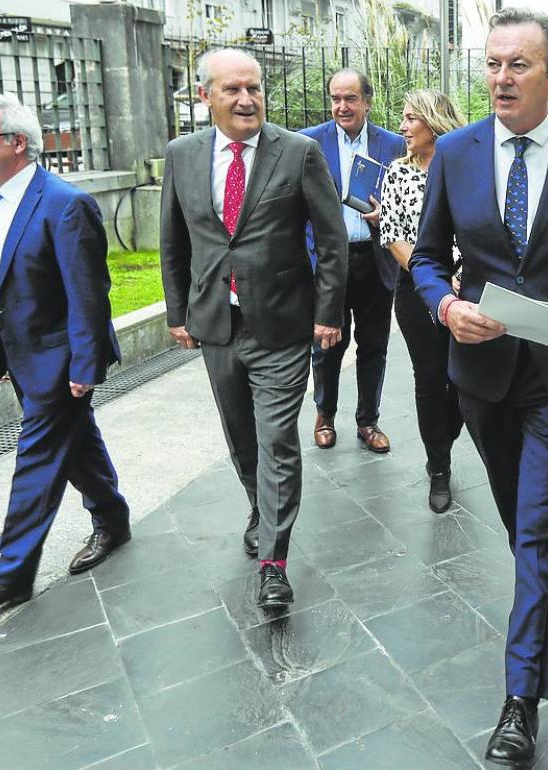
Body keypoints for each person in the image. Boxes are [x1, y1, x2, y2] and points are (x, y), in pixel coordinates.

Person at [407, 7, 548, 764]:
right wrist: (445, 304)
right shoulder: (458, 153)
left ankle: (518, 702)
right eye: (493, 64)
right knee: (523, 528)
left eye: (519, 65)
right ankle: (541, 612)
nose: (502, 78)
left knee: (537, 532)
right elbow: (429, 254)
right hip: (482, 377)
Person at [159, 49, 347, 608]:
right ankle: (259, 505)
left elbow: (332, 240)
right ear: (205, 96)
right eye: (233, 90)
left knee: (277, 441)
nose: (247, 100)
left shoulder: (298, 153)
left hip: (282, 325)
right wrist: (176, 312)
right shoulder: (182, 155)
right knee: (242, 438)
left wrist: (328, 312)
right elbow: (173, 241)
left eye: (255, 88)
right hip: (216, 322)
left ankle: (273, 560)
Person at [0, 94, 130, 616]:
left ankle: (11, 574)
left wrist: (85, 367)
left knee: (36, 462)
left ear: (17, 143)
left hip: (58, 358)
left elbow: (90, 293)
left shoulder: (65, 203)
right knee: (77, 443)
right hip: (18, 355)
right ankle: (113, 518)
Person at [299, 69, 406, 454]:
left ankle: (368, 420)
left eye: (350, 99)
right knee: (327, 344)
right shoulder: (309, 143)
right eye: (336, 99)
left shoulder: (393, 145)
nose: (342, 107)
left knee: (374, 345)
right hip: (329, 264)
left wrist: (386, 215)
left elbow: (407, 200)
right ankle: (324, 414)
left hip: (376, 258)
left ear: (367, 101)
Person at [378, 89, 466, 513]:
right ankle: (439, 469)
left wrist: (461, 277)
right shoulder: (396, 173)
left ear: (434, 122)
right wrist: (434, 279)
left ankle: (445, 431)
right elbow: (392, 234)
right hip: (415, 292)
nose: (403, 126)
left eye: (411, 118)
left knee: (464, 379)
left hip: (469, 291)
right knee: (430, 379)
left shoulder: (468, 167)